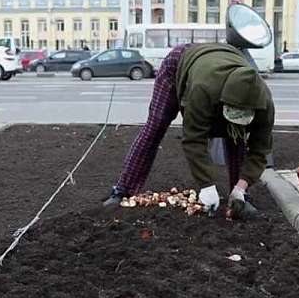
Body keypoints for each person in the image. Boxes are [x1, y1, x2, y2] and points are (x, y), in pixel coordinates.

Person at [103, 43, 274, 217]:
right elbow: (194, 139)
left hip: (218, 67)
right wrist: (206, 185)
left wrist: (241, 187)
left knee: (235, 137)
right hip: (180, 64)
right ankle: (122, 190)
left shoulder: (265, 104)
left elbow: (260, 150)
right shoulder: (203, 89)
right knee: (155, 126)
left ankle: (240, 197)